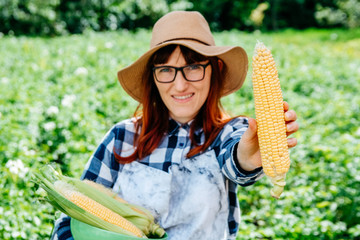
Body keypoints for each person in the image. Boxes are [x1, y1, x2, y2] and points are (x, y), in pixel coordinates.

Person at [51, 11, 298, 240]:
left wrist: (246, 157)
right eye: (166, 70)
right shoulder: (121, 137)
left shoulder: (228, 133)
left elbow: (237, 161)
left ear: (215, 69)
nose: (179, 85)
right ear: (153, 77)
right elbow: (72, 213)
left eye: (193, 67)